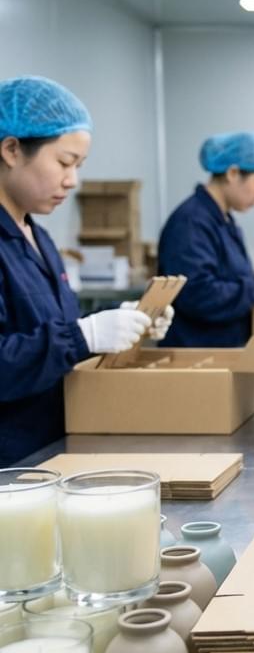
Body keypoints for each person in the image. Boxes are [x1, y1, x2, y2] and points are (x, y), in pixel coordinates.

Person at [0, 76, 170, 465]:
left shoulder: (38, 237)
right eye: (64, 162)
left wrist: (120, 321)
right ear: (11, 150)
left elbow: (52, 325)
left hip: (49, 449)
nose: (72, 180)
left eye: (79, 165)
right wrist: (83, 336)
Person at [158, 131, 254, 348]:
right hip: (197, 352)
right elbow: (198, 294)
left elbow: (231, 278)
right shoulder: (192, 222)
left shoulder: (223, 220)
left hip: (225, 346)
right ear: (233, 173)